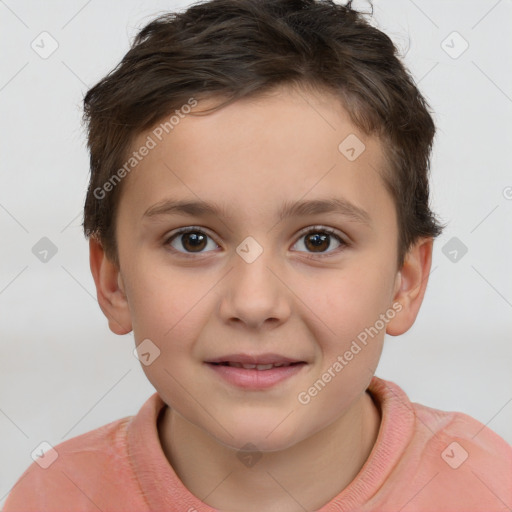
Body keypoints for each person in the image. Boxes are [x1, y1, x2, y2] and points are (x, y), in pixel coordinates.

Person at [4, 0, 511, 510]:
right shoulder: (53, 496)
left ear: (405, 283)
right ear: (112, 280)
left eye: (318, 240)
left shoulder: (490, 488)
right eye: (193, 240)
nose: (253, 302)